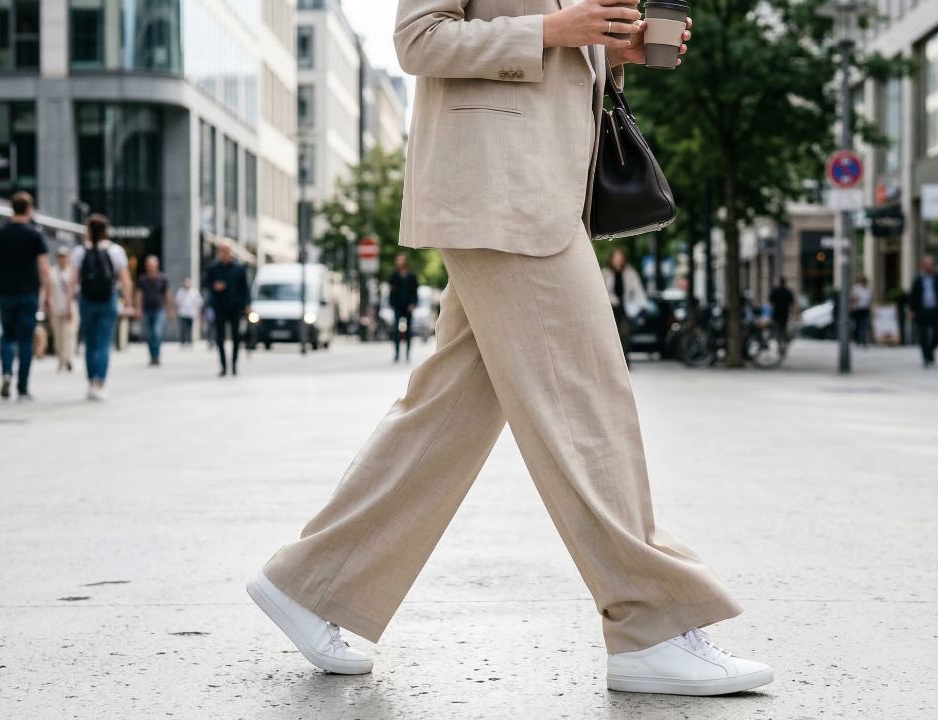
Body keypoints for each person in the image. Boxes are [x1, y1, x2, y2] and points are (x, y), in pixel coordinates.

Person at [248, 1, 773, 698]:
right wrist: (557, 30)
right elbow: (418, 39)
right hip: (498, 191)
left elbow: (552, 58)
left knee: (446, 417)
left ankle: (313, 586)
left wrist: (611, 50)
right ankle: (650, 625)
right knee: (588, 402)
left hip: (537, 188)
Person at [0, 192, 52, 400]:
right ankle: (22, 386)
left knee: (7, 337)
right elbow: (45, 269)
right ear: (29, 209)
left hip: (5, 293)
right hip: (29, 293)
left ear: (12, 208)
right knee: (26, 341)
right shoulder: (35, 235)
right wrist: (47, 295)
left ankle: (6, 373)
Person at [70, 214, 133, 400]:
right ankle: (100, 383)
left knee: (90, 343)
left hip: (87, 300)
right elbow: (125, 280)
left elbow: (72, 281)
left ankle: (91, 383)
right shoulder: (116, 251)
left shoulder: (80, 251)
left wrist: (67, 304)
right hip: (108, 299)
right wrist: (129, 303)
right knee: (104, 343)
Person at [203, 243, 251, 376]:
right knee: (220, 338)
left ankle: (234, 365)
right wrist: (214, 286)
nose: (223, 254)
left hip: (235, 307)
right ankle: (223, 366)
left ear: (230, 253)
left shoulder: (238, 269)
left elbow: (245, 288)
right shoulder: (213, 268)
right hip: (219, 307)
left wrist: (247, 305)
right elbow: (206, 283)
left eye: (226, 251)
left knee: (236, 337)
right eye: (221, 251)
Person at [601, 247, 645, 366]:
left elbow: (637, 289)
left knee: (625, 334)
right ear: (611, 259)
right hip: (611, 307)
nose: (618, 260)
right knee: (612, 334)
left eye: (620, 257)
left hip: (626, 307)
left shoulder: (630, 273)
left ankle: (625, 359)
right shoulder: (605, 273)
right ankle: (614, 361)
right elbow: (601, 290)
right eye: (616, 257)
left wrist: (641, 305)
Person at [908, 254, 938, 367]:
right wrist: (911, 310)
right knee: (923, 335)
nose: (929, 266)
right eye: (927, 264)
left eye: (931, 264)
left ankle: (930, 351)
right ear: (923, 265)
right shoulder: (918, 279)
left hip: (936, 310)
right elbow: (913, 296)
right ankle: (926, 356)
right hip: (921, 311)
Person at [134, 255, 174, 366]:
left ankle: (156, 355)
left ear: (157, 266)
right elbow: (139, 294)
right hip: (147, 310)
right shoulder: (142, 279)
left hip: (159, 309)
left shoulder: (163, 278)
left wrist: (171, 309)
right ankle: (152, 356)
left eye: (152, 265)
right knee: (149, 334)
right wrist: (138, 308)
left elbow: (167, 294)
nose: (150, 267)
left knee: (157, 332)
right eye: (148, 265)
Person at [48, 247, 79, 372]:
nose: (62, 259)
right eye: (60, 256)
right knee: (58, 335)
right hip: (56, 307)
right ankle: (61, 359)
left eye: (64, 256)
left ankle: (68, 359)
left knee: (70, 334)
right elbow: (47, 289)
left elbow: (77, 290)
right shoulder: (52, 272)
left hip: (71, 308)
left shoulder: (72, 271)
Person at [387, 254, 419, 362]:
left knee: (409, 331)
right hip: (397, 306)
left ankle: (407, 354)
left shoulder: (411, 276)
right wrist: (391, 303)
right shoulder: (394, 275)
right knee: (396, 331)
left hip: (408, 306)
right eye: (398, 260)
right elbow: (391, 291)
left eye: (402, 260)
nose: (400, 262)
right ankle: (396, 354)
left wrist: (413, 304)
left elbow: (415, 291)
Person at [174, 278, 203, 347]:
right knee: (183, 328)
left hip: (191, 313)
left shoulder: (194, 291)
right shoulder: (180, 291)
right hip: (182, 313)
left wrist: (197, 310)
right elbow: (177, 301)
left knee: (190, 328)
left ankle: (189, 341)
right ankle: (182, 342)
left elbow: (199, 301)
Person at [768, 277, 796, 341]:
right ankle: (782, 339)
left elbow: (770, 301)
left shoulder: (775, 291)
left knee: (778, 327)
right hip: (784, 312)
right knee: (783, 327)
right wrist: (792, 313)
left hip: (777, 312)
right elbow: (792, 303)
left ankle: (779, 339)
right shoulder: (788, 291)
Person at [850, 275, 872, 349]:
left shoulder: (868, 290)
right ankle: (858, 341)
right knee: (858, 326)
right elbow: (853, 298)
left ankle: (864, 341)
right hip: (857, 309)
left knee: (864, 326)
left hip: (865, 309)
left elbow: (869, 300)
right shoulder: (856, 288)